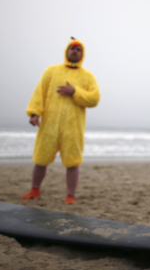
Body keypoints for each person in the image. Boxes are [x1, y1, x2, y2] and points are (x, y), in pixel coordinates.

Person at [24, 37, 100, 205]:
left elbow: (94, 99)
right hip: (49, 126)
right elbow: (39, 94)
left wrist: (74, 92)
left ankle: (70, 196)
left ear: (83, 53)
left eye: (79, 49)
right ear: (67, 51)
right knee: (40, 159)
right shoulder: (51, 71)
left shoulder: (87, 77)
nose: (75, 51)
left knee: (72, 162)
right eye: (72, 48)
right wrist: (34, 113)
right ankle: (35, 190)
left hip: (73, 129)